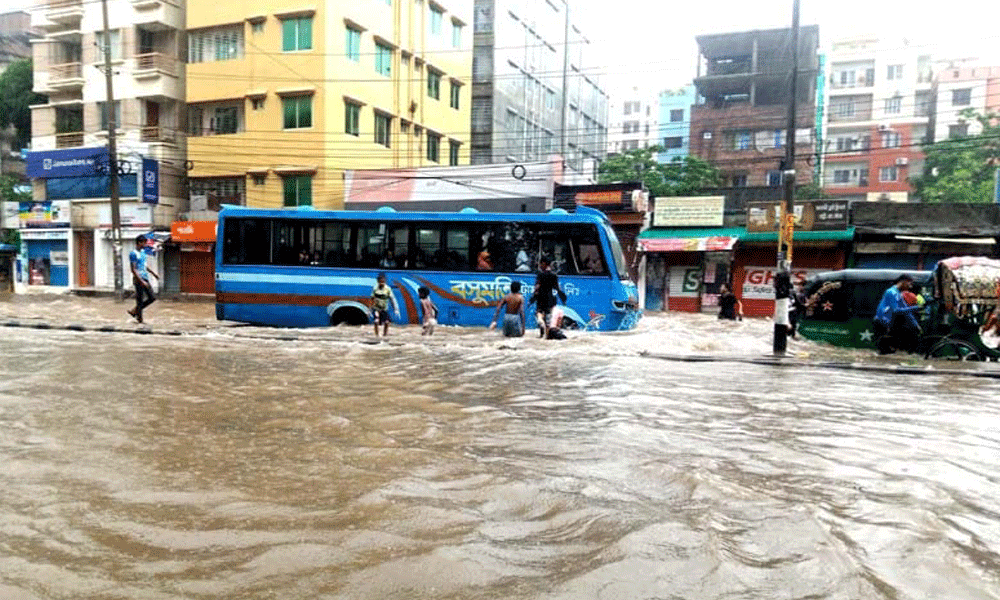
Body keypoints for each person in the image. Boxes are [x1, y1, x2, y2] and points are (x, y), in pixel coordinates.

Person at [873, 274, 923, 355]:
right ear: (903, 282)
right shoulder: (891, 292)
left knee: (890, 352)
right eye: (909, 284)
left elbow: (907, 312)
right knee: (885, 352)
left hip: (888, 325)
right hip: (882, 324)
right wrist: (915, 308)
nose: (910, 287)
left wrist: (916, 325)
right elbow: (896, 310)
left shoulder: (899, 294)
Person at [530, 258, 567, 338]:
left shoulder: (540, 275)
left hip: (540, 298)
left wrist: (532, 298)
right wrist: (563, 298)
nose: (540, 266)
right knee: (548, 317)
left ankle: (541, 329)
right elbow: (557, 288)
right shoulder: (554, 275)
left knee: (539, 314)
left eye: (541, 264)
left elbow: (537, 288)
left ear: (545, 263)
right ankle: (547, 335)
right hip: (550, 298)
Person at [127, 235, 159, 324]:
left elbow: (144, 265)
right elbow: (133, 269)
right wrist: (141, 281)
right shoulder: (133, 254)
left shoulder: (143, 252)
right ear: (139, 243)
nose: (145, 244)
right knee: (140, 300)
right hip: (138, 279)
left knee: (152, 298)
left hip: (144, 277)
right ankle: (140, 320)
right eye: (144, 243)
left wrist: (153, 273)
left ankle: (135, 311)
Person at [370, 273, 400, 339]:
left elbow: (392, 299)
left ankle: (385, 335)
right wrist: (370, 310)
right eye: (380, 282)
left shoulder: (388, 289)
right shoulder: (375, 288)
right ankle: (377, 335)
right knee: (376, 321)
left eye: (383, 282)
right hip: (376, 308)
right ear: (378, 281)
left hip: (384, 309)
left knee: (386, 322)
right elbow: (372, 299)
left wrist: (396, 309)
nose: (382, 283)